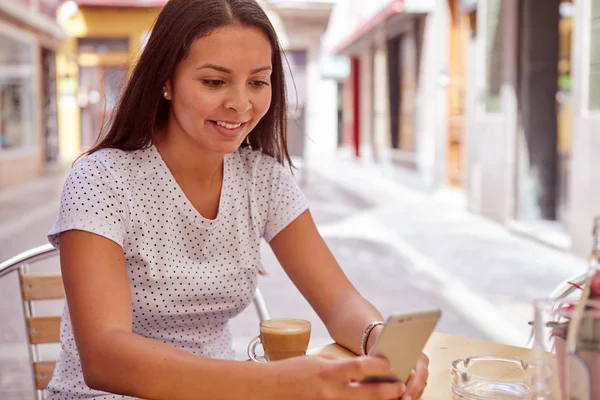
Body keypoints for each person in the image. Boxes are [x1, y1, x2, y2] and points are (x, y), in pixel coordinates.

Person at [47, 0, 429, 398]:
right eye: (214, 82)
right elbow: (104, 356)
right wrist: (279, 383)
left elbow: (340, 303)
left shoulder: (262, 180)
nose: (241, 104)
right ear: (165, 80)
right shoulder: (101, 179)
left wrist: (379, 342)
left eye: (258, 81)